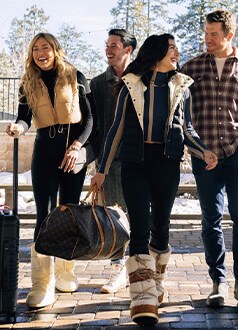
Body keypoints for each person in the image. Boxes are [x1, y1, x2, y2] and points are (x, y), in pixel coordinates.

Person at [89, 34, 218, 326]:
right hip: (135, 163)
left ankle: (155, 281)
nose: (177, 52)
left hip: (167, 163)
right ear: (157, 52)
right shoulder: (131, 85)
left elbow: (186, 130)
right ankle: (142, 295)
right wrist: (102, 170)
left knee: (160, 225)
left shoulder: (181, 87)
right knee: (140, 226)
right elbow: (115, 131)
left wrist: (204, 152)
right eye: (172, 48)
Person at [180, 9, 238, 312]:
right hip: (204, 157)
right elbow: (180, 112)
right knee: (211, 220)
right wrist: (194, 146)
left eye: (214, 34)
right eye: (205, 33)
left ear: (229, 35)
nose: (207, 39)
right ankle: (217, 281)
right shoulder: (190, 68)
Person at [5, 33, 93, 309]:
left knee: (68, 210)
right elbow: (24, 116)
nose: (40, 53)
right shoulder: (27, 81)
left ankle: (66, 271)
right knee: (43, 215)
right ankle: (42, 282)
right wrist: (19, 126)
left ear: (56, 50)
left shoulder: (76, 75)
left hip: (72, 152)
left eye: (45, 48)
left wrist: (78, 147)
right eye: (35, 49)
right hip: (44, 151)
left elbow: (91, 119)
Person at [89, 28, 137, 293]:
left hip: (138, 160)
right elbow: (94, 124)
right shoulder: (97, 84)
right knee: (114, 218)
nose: (109, 49)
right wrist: (99, 161)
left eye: (115, 45)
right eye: (107, 45)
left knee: (138, 216)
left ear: (128, 50)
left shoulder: (142, 80)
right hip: (109, 164)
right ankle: (118, 269)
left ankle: (139, 267)